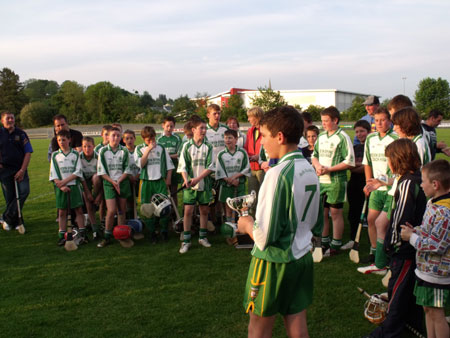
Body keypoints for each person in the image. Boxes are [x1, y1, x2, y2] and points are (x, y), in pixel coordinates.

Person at [237, 106, 321, 338]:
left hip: (274, 261)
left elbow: (265, 237)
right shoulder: (308, 168)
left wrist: (246, 224)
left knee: (258, 326)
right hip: (302, 255)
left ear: (280, 137)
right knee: (296, 321)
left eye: (264, 135)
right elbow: (315, 219)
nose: (261, 142)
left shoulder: (277, 174)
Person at [364, 138, 426, 338]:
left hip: (405, 249)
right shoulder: (411, 178)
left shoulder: (408, 182)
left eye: (389, 159)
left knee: (397, 293)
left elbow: (402, 217)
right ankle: (413, 323)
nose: (388, 163)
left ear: (398, 159)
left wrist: (394, 243)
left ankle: (389, 331)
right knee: (406, 291)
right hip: (408, 248)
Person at [400, 159, 450, 338]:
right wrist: (417, 230)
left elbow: (437, 245)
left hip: (437, 274)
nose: (421, 185)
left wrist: (411, 237)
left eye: (423, 181)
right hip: (425, 270)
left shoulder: (445, 212)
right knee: (427, 309)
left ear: (435, 184)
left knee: (437, 314)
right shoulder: (433, 203)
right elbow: (430, 231)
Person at [356, 108, 397, 272]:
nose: (379, 123)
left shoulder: (394, 139)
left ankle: (386, 256)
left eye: (383, 120)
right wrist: (368, 182)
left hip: (390, 187)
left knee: (385, 224)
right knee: (372, 219)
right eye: (376, 120)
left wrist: (382, 182)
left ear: (389, 121)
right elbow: (368, 162)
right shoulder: (371, 138)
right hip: (375, 187)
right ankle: (374, 252)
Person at [312, 106, 355, 254]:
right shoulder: (321, 137)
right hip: (321, 181)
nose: (323, 124)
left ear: (335, 120)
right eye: (322, 121)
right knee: (322, 213)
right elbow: (314, 155)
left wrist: (329, 169)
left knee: (335, 213)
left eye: (326, 121)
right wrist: (317, 165)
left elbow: (349, 161)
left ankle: (336, 244)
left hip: (336, 182)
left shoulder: (343, 137)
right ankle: (324, 242)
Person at [177, 117, 214, 254]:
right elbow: (183, 166)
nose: (204, 130)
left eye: (205, 128)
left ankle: (202, 237)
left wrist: (197, 179)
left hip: (204, 184)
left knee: (204, 211)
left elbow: (210, 167)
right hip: (190, 186)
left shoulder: (208, 146)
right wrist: (186, 179)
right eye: (201, 128)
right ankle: (186, 241)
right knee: (188, 211)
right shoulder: (187, 146)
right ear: (193, 130)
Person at [135, 126, 174, 243]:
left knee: (164, 207)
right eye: (147, 140)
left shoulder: (161, 148)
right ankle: (152, 232)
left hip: (159, 181)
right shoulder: (139, 149)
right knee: (147, 208)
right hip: (146, 182)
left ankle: (164, 231)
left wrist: (168, 178)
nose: (151, 141)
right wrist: (148, 149)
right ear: (143, 139)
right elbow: (141, 164)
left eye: (152, 139)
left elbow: (169, 166)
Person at [96, 127, 133, 248]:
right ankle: (107, 237)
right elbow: (101, 171)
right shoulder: (103, 151)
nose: (115, 138)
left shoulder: (124, 151)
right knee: (111, 211)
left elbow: (127, 169)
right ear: (108, 137)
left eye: (118, 135)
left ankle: (121, 235)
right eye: (113, 135)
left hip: (122, 182)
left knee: (121, 210)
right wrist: (113, 182)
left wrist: (119, 181)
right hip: (109, 183)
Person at [49, 130, 87, 246]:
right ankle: (62, 235)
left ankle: (82, 234)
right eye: (59, 140)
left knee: (78, 210)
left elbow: (77, 172)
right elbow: (53, 173)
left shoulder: (75, 154)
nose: (61, 142)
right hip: (60, 188)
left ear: (69, 140)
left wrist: (64, 182)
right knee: (62, 212)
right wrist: (60, 186)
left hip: (74, 186)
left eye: (64, 140)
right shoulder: (55, 155)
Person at [0, 111, 32, 234]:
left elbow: (28, 152)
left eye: (12, 118)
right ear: (2, 121)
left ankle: (6, 217)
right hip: (4, 171)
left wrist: (22, 170)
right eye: (7, 118)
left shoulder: (21, 134)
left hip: (20, 169)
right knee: (10, 197)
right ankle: (18, 222)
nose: (10, 120)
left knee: (24, 191)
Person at [341, 120, 371, 251]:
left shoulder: (371, 148)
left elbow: (368, 168)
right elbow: (350, 166)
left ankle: (373, 243)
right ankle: (353, 239)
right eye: (357, 131)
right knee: (353, 213)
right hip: (354, 183)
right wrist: (362, 165)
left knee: (370, 215)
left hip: (367, 183)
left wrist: (360, 166)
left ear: (368, 132)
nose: (359, 134)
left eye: (362, 131)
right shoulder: (355, 148)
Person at [215, 129, 250, 223]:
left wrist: (235, 178)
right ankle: (230, 228)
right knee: (229, 208)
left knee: (242, 207)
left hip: (239, 184)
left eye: (230, 138)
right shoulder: (221, 154)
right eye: (226, 138)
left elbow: (246, 168)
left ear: (236, 139)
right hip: (227, 185)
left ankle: (242, 227)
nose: (227, 140)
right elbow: (219, 170)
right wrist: (228, 180)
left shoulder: (242, 153)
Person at [244, 107, 265, 215]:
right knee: (252, 195)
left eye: (250, 117)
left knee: (263, 195)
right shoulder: (250, 131)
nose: (248, 119)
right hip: (252, 168)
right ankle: (252, 218)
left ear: (257, 117)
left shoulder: (266, 129)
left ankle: (263, 218)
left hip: (263, 168)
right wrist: (249, 156)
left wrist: (259, 156)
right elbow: (246, 147)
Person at [157, 116, 182, 209]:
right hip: (162, 169)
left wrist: (167, 156)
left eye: (171, 126)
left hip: (174, 168)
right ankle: (165, 212)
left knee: (173, 192)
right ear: (163, 125)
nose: (169, 128)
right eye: (167, 126)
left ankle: (174, 213)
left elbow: (179, 154)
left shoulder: (177, 138)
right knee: (163, 193)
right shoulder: (159, 139)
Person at [79, 136, 101, 240]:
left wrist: (97, 196)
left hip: (95, 180)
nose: (87, 149)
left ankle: (96, 200)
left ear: (94, 146)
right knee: (88, 204)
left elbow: (102, 176)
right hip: (84, 181)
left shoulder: (98, 157)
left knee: (96, 177)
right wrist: (88, 193)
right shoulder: (79, 157)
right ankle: (95, 229)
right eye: (84, 146)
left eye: (89, 146)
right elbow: (81, 178)